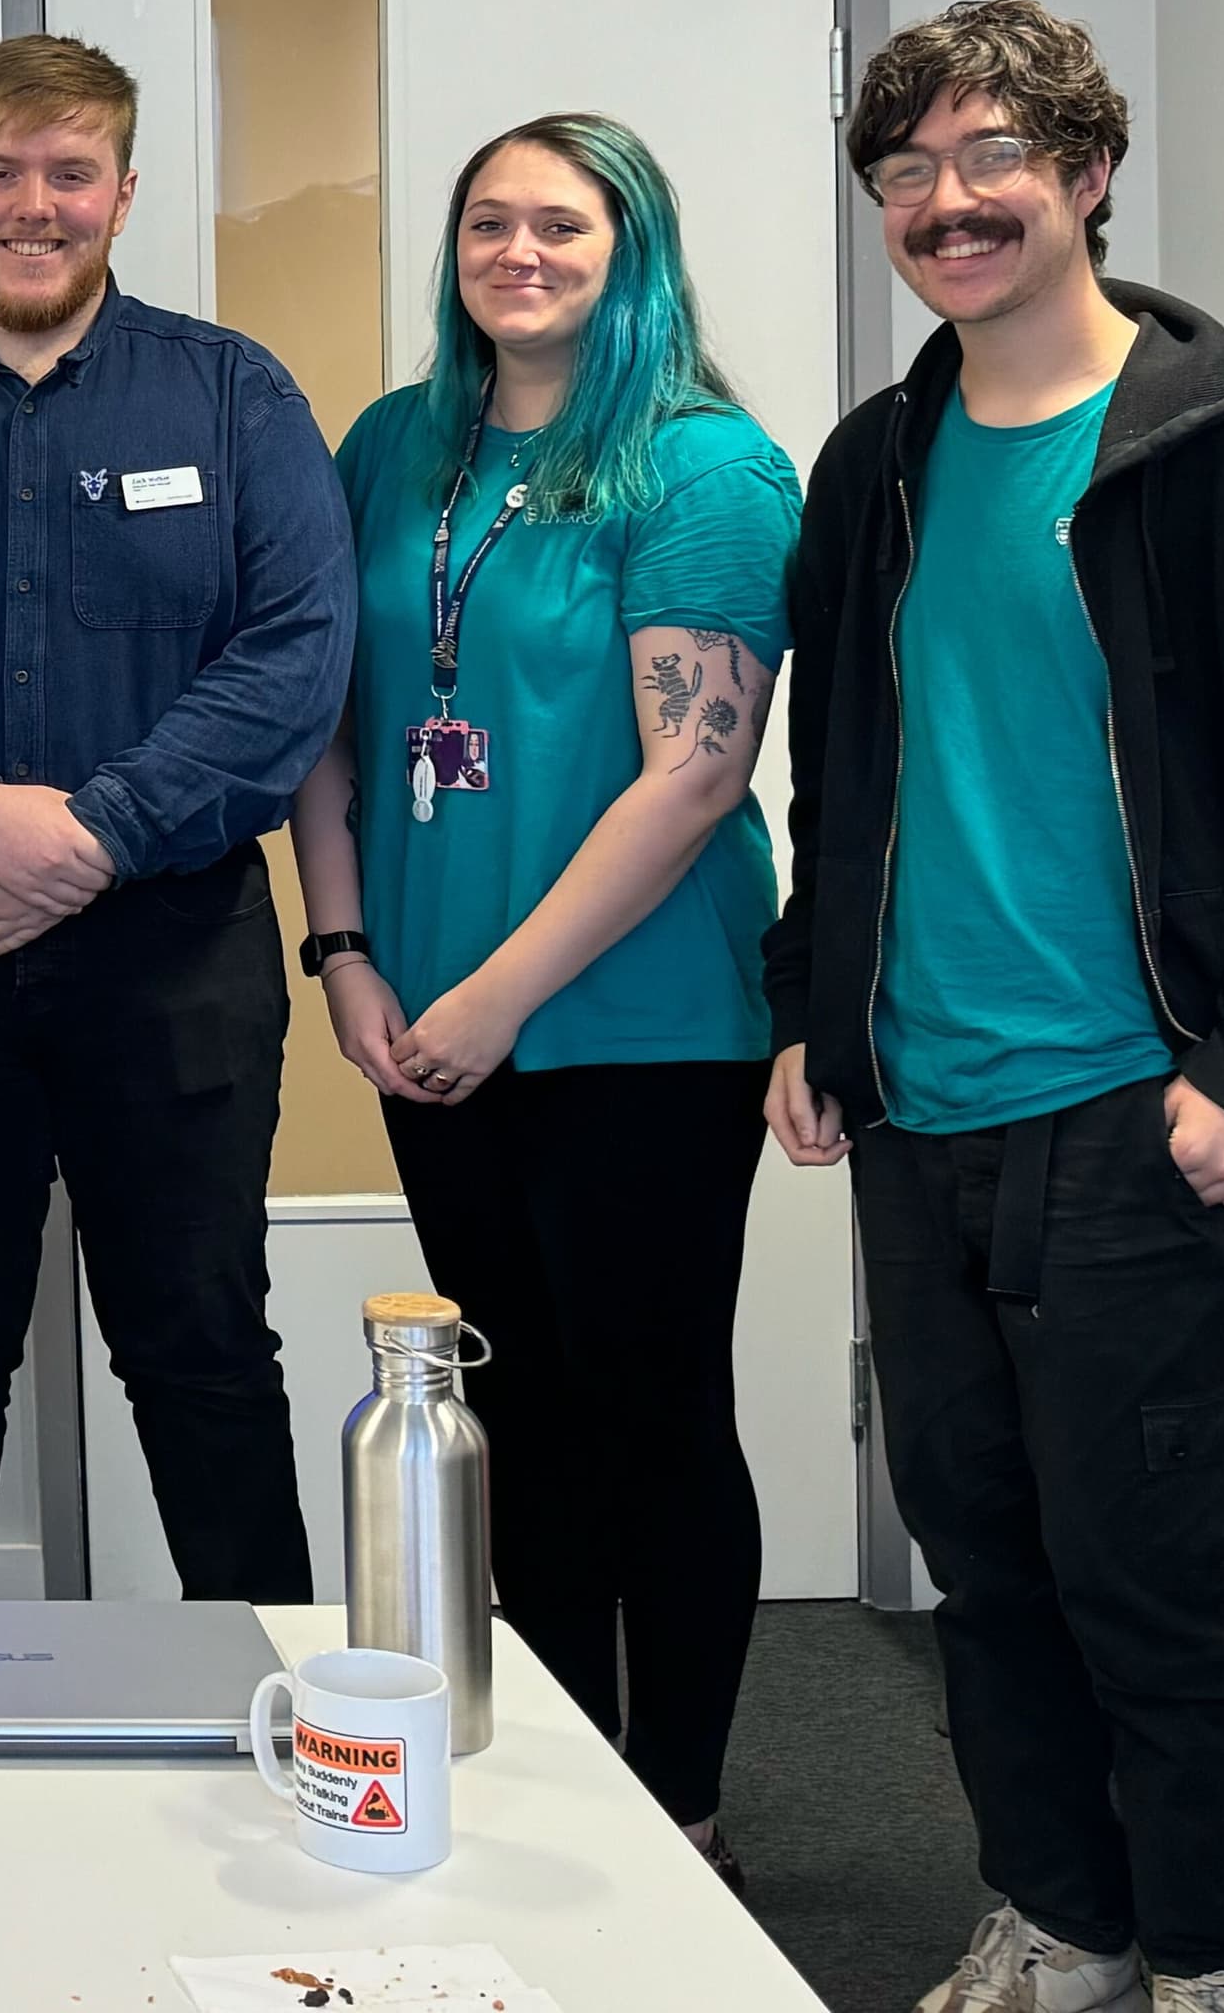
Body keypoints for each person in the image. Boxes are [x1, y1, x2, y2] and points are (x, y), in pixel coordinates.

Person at [768, 0, 1224, 2013]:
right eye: (908, 172)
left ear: (1087, 173)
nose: (949, 204)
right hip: (923, 1110)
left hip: (1146, 1113)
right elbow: (840, 774)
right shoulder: (880, 467)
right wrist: (812, 1011)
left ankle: (1210, 1958)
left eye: (989, 159)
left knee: (1146, 1584)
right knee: (989, 1569)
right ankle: (1063, 1916)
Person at [290, 114, 797, 1879]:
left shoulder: (703, 467)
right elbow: (329, 724)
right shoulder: (391, 447)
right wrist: (346, 954)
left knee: (650, 1408)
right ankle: (568, 1769)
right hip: (429, 1027)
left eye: (562, 226)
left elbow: (693, 778)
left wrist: (493, 997)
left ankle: (686, 1808)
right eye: (487, 224)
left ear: (632, 250)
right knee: (510, 1430)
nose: (519, 252)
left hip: (644, 1029)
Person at [0, 34, 354, 1604]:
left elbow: (297, 658)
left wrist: (89, 836)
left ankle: (285, 1725)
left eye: (70, 175)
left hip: (175, 959)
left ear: (121, 192)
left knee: (202, 1348)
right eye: (1, 174)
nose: (34, 207)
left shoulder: (234, 395)